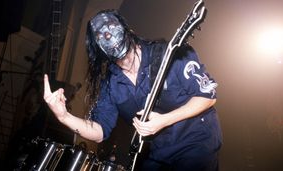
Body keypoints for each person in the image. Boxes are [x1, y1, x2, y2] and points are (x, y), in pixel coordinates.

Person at [43, 9, 222, 171]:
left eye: (111, 26)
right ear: (97, 48)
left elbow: (207, 96)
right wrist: (63, 116)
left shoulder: (167, 54)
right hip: (158, 154)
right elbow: (99, 132)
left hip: (195, 142)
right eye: (100, 35)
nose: (107, 34)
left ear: (126, 30)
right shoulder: (111, 84)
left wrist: (165, 120)